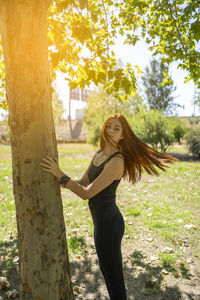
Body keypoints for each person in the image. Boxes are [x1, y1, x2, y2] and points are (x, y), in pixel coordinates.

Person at [40, 113, 176, 300]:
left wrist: (61, 175)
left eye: (117, 128)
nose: (111, 130)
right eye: (109, 126)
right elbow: (82, 182)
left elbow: (86, 193)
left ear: (123, 135)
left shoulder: (117, 161)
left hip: (110, 226)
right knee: (107, 272)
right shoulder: (99, 155)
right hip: (101, 225)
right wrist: (58, 179)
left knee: (114, 281)